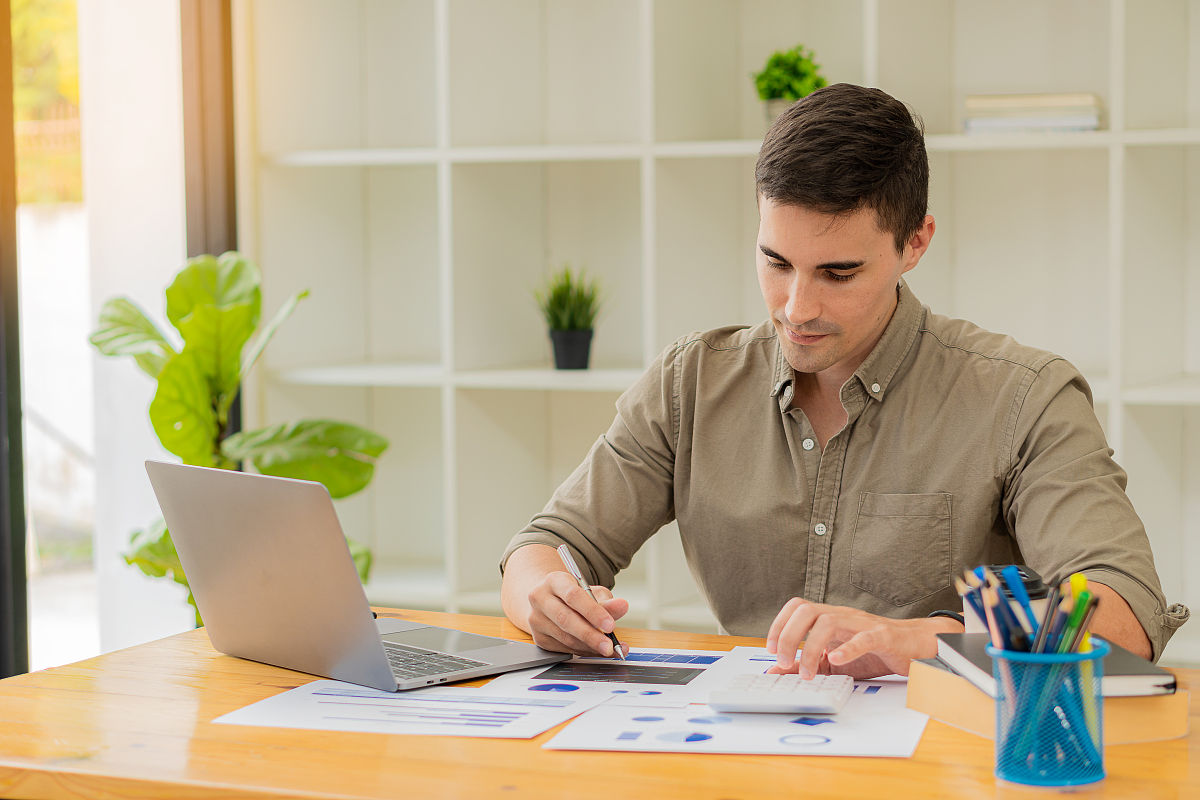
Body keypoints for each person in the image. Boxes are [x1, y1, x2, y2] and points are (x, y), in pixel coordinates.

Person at [499, 83, 1188, 678]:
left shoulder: (1025, 397)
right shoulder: (691, 383)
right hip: (739, 747)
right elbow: (546, 546)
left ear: (915, 242)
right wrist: (545, 596)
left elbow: (1123, 618)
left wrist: (919, 642)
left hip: (947, 754)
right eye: (776, 262)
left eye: (838, 273)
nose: (797, 309)